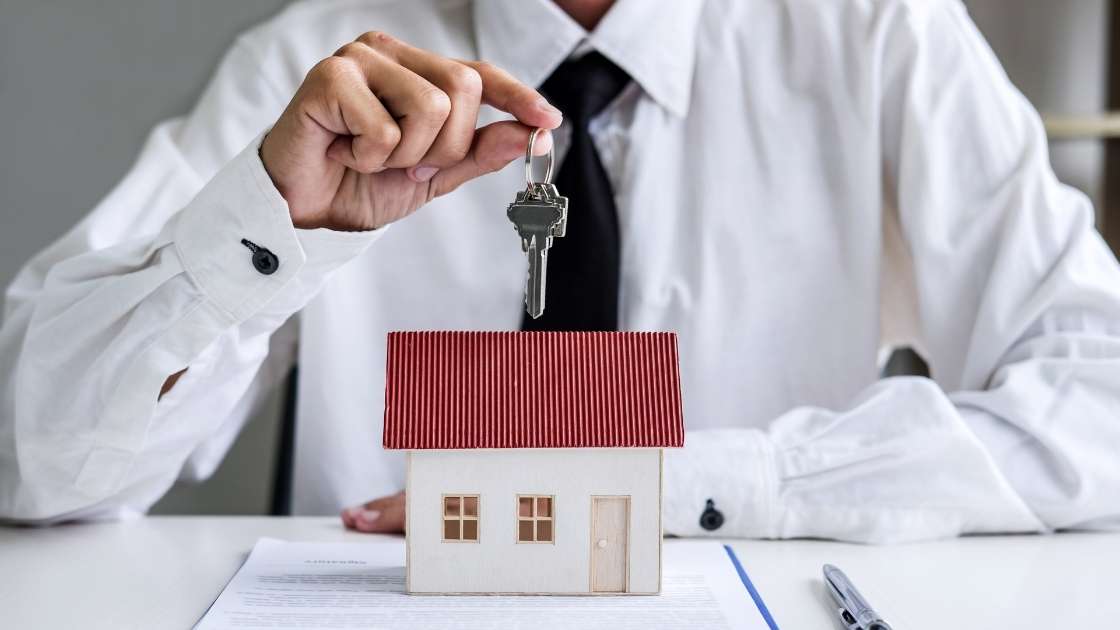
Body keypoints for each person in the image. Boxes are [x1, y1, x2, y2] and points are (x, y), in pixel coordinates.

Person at [2, 0, 1119, 544]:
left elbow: (1101, 402)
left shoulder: (878, 35)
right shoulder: (322, 54)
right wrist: (263, 230)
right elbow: (27, 462)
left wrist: (691, 489)